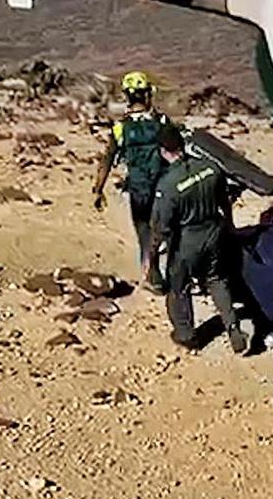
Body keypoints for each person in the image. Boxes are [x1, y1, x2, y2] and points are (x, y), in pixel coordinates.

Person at [151, 123, 248, 355]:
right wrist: (231, 226)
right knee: (216, 279)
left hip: (187, 241)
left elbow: (161, 227)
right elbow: (224, 201)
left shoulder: (168, 185)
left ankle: (186, 335)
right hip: (214, 232)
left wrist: (153, 255)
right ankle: (233, 326)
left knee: (179, 287)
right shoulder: (210, 168)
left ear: (163, 151)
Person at [92, 71, 169, 294]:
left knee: (144, 232)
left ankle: (152, 277)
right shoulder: (161, 122)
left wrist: (98, 189)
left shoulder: (120, 128)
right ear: (147, 95)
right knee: (169, 231)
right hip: (163, 187)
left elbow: (106, 159)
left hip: (138, 189)